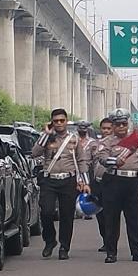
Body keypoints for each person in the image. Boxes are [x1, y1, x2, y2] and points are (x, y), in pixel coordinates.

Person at [32, 108, 90, 260]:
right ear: (52, 122)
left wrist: (85, 182)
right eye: (56, 121)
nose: (59, 123)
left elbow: (81, 160)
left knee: (66, 215)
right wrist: (46, 134)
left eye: (61, 120)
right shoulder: (46, 138)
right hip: (49, 180)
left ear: (66, 121)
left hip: (68, 180)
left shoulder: (74, 139)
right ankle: (50, 241)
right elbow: (35, 152)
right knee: (46, 211)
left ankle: (64, 247)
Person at [95, 108, 138, 263]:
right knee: (111, 219)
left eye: (124, 124)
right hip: (113, 181)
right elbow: (102, 158)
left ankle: (137, 252)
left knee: (135, 219)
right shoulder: (106, 142)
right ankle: (111, 252)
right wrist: (115, 161)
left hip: (132, 183)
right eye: (118, 124)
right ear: (113, 125)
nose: (121, 127)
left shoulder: (136, 141)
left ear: (127, 124)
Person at [92, 118, 114, 251]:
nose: (106, 131)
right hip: (97, 183)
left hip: (112, 183)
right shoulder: (95, 145)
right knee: (99, 214)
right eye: (104, 128)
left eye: (108, 128)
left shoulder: (117, 145)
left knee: (110, 214)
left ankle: (111, 242)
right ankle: (105, 240)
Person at [76, 121, 100, 220]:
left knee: (87, 189)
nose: (82, 130)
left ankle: (87, 210)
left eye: (84, 128)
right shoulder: (73, 140)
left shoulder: (92, 142)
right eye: (80, 128)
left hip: (88, 168)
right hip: (74, 168)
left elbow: (96, 158)